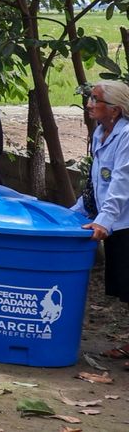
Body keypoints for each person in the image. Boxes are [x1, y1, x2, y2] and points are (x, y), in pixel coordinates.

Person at [73, 80, 129, 308]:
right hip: (115, 223)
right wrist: (76, 212)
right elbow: (97, 182)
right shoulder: (100, 132)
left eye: (96, 100)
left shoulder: (126, 136)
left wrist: (103, 221)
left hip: (123, 222)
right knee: (122, 288)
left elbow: (121, 182)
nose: (89, 104)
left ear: (115, 110)